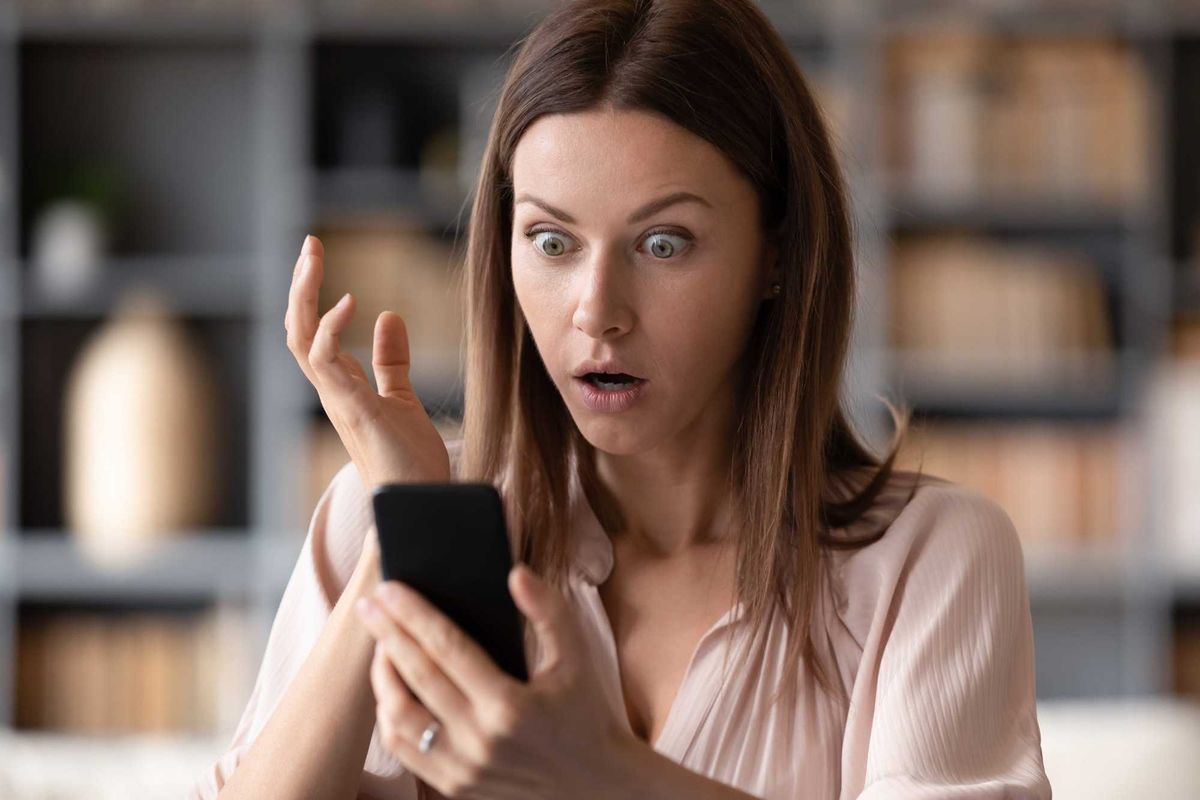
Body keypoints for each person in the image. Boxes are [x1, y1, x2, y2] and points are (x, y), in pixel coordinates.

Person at [191, 0, 1052, 797]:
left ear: (778, 255)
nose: (597, 310)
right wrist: (408, 532)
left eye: (663, 243)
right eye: (552, 241)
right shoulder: (384, 513)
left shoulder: (931, 558)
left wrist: (602, 770)